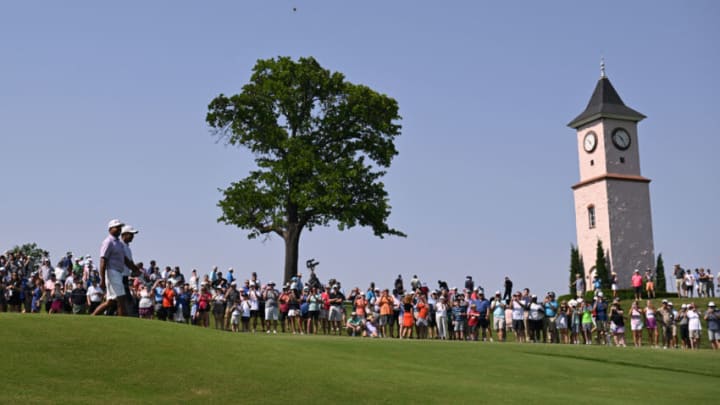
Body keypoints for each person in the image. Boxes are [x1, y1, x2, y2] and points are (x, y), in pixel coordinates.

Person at [92, 219, 137, 317]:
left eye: (120, 227)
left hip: (118, 273)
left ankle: (92, 317)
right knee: (121, 298)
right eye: (117, 227)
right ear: (110, 229)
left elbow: (125, 260)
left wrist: (135, 269)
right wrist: (102, 280)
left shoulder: (119, 243)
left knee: (111, 301)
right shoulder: (108, 242)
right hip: (112, 272)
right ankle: (122, 322)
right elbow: (103, 260)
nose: (119, 229)